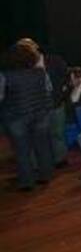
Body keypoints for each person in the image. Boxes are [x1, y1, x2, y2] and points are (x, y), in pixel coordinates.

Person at [0, 42, 55, 191]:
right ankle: (45, 176)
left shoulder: (5, 75)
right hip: (41, 114)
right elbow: (48, 91)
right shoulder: (40, 72)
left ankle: (27, 182)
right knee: (42, 147)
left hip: (16, 116)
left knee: (21, 150)